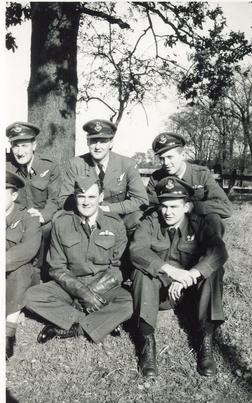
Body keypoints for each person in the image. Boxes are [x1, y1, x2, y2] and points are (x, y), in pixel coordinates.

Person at [130, 176, 228, 378]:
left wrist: (192, 273)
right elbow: (137, 251)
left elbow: (219, 252)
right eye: (164, 206)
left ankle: (205, 341)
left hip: (192, 295)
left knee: (213, 270)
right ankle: (147, 343)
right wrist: (171, 271)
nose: (168, 212)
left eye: (174, 206)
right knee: (141, 272)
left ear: (187, 207)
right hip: (162, 294)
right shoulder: (150, 222)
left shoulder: (200, 224)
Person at [24, 173, 133, 345]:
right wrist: (82, 293)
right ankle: (99, 322)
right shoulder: (61, 223)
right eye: (81, 196)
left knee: (128, 302)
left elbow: (120, 267)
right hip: (69, 284)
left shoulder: (115, 224)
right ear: (75, 197)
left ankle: (71, 327)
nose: (86, 202)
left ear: (101, 197)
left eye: (92, 196)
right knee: (31, 296)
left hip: (103, 285)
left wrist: (92, 292)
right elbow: (56, 267)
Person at [58, 119, 149, 233]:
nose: (97, 147)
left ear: (111, 143)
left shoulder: (126, 164)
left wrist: (107, 209)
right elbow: (63, 199)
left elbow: (141, 200)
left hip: (117, 217)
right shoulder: (76, 164)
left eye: (103, 141)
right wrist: (90, 208)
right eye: (93, 141)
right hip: (83, 216)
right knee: (60, 219)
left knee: (138, 218)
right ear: (87, 142)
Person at [147, 132, 232, 235]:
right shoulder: (156, 178)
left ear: (182, 155)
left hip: (197, 222)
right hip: (168, 224)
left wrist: (193, 206)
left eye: (170, 157)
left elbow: (226, 207)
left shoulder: (201, 175)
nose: (166, 163)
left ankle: (211, 249)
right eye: (162, 158)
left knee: (214, 220)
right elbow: (150, 206)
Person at [6, 122, 61, 277]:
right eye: (15, 146)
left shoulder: (49, 166)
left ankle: (41, 271)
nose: (20, 152)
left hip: (42, 217)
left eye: (24, 146)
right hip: (16, 217)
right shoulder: (6, 166)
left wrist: (43, 215)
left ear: (34, 145)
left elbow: (55, 199)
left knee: (46, 228)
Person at [6, 170, 42, 359]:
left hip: (23, 276)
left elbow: (29, 249)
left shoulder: (28, 217)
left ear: (13, 195)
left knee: (19, 269)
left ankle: (8, 332)